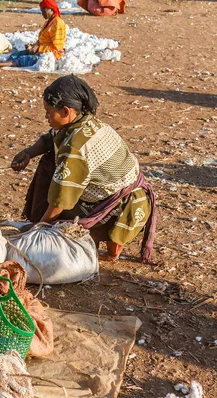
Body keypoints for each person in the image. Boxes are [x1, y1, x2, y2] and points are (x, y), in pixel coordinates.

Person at [11, 75, 157, 262]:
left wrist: (39, 229)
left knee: (55, 208)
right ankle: (109, 244)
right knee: (50, 159)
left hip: (119, 207)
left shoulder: (75, 148)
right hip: (129, 197)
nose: (46, 117)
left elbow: (60, 201)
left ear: (65, 111)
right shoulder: (86, 121)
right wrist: (29, 152)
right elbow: (50, 138)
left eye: (48, 112)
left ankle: (101, 240)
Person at [0, 0, 66, 68]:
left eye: (44, 11)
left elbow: (57, 48)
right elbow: (42, 40)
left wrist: (38, 48)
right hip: (41, 51)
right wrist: (33, 46)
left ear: (51, 9)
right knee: (17, 54)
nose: (42, 14)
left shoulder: (57, 24)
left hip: (51, 55)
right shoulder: (48, 22)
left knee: (23, 60)